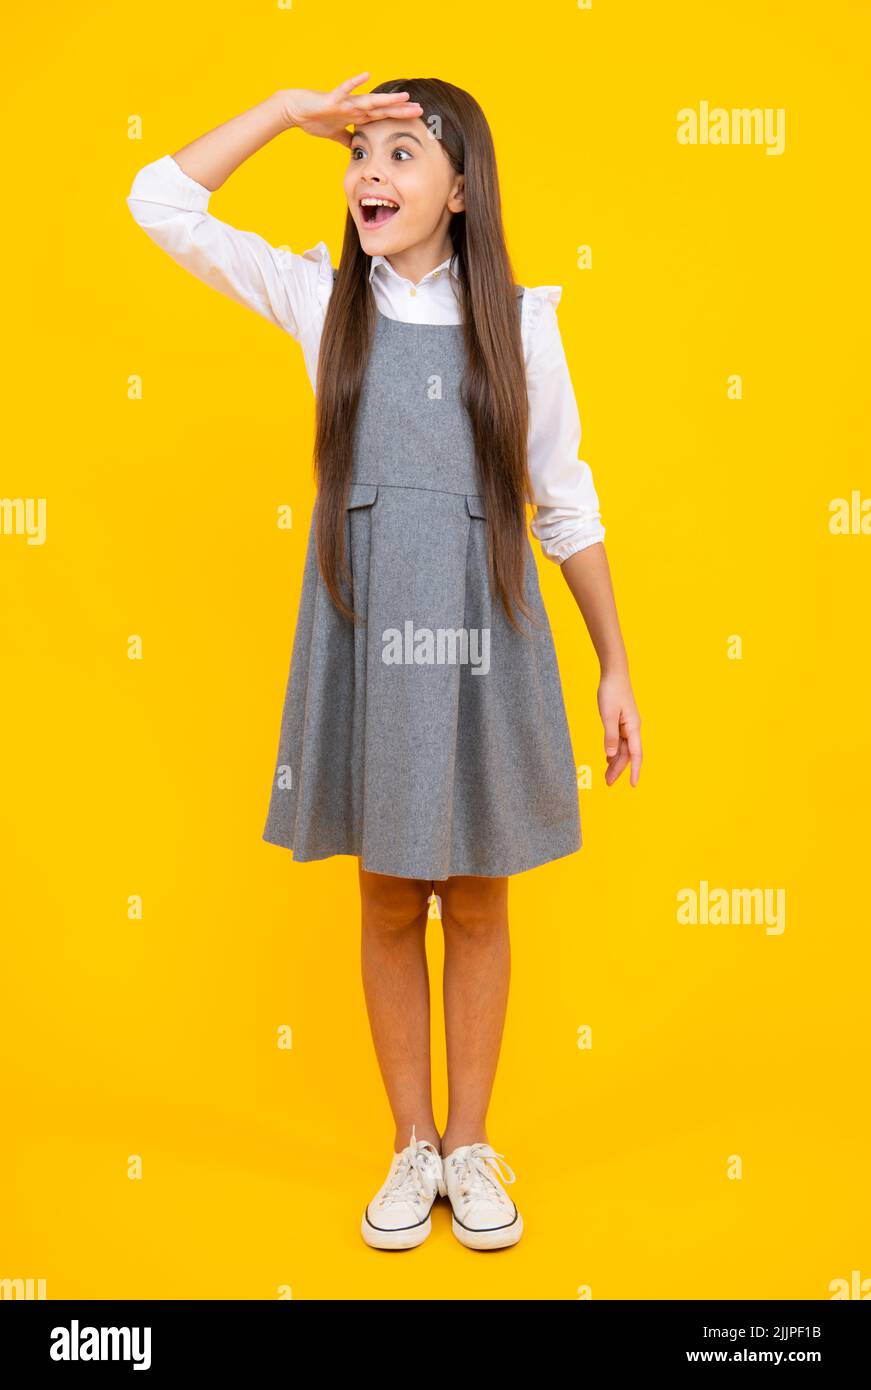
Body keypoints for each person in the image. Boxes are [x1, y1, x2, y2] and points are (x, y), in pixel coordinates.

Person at [126, 73, 643, 1252]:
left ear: (461, 191)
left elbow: (564, 506)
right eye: (360, 156)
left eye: (403, 153)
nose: (370, 173)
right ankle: (411, 1145)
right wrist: (283, 113)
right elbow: (159, 204)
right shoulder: (320, 302)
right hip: (365, 633)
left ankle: (470, 1142)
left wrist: (614, 664)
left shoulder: (521, 323)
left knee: (473, 894)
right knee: (382, 893)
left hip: (481, 635)